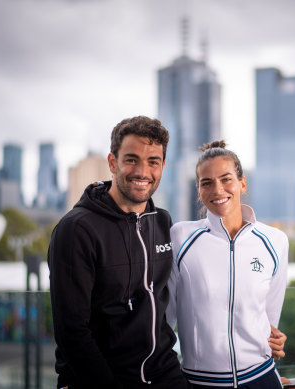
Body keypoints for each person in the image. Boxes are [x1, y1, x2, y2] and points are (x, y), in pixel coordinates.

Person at [48, 116, 189, 388]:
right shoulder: (76, 229)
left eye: (153, 162)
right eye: (131, 159)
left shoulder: (161, 222)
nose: (142, 171)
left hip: (163, 374)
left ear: (162, 166)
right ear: (113, 162)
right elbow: (72, 332)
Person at [166, 140, 289, 388]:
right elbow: (163, 323)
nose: (218, 190)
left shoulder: (275, 241)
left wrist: (276, 340)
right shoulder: (180, 238)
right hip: (199, 382)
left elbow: (269, 321)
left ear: (242, 183)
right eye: (207, 183)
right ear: (199, 191)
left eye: (226, 179)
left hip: (262, 378)